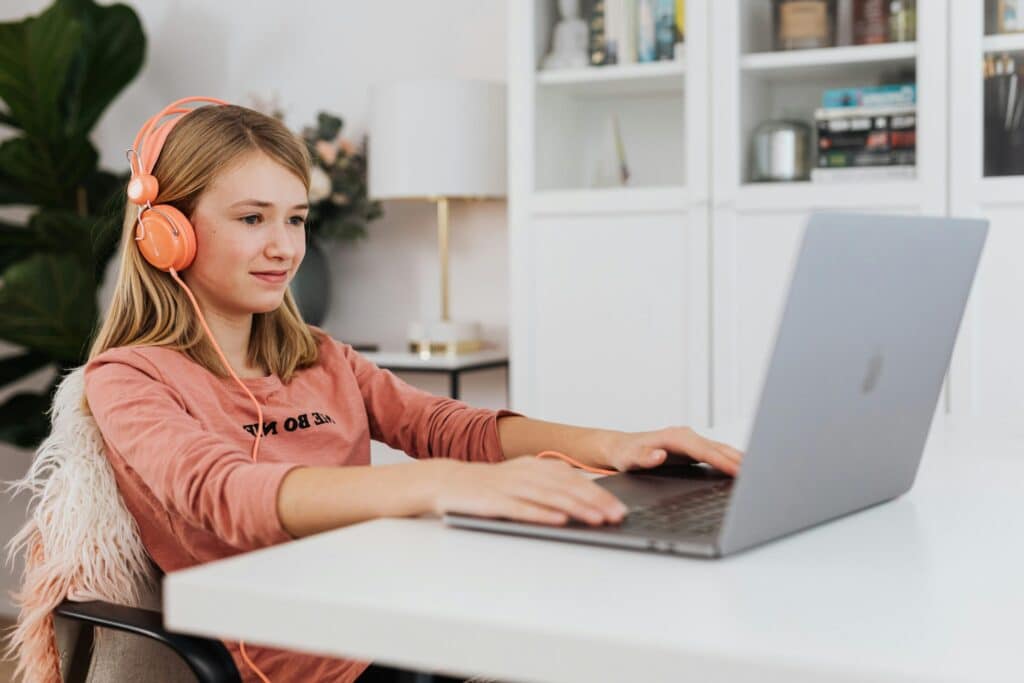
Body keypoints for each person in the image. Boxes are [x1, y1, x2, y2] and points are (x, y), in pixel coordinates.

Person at [81, 99, 744, 683]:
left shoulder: (321, 356)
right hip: (331, 661)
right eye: (253, 218)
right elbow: (225, 493)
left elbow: (452, 428)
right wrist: (440, 484)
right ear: (166, 235)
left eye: (296, 218)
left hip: (411, 611)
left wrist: (614, 445)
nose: (284, 247)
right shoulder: (128, 378)